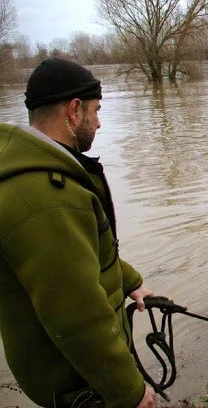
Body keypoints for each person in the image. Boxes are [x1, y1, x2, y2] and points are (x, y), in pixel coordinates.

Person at [0, 58, 156, 408]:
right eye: (95, 111)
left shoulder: (39, 170)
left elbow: (82, 252)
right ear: (73, 111)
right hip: (78, 385)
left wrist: (129, 280)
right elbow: (78, 318)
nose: (99, 122)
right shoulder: (46, 199)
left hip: (76, 376)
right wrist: (131, 392)